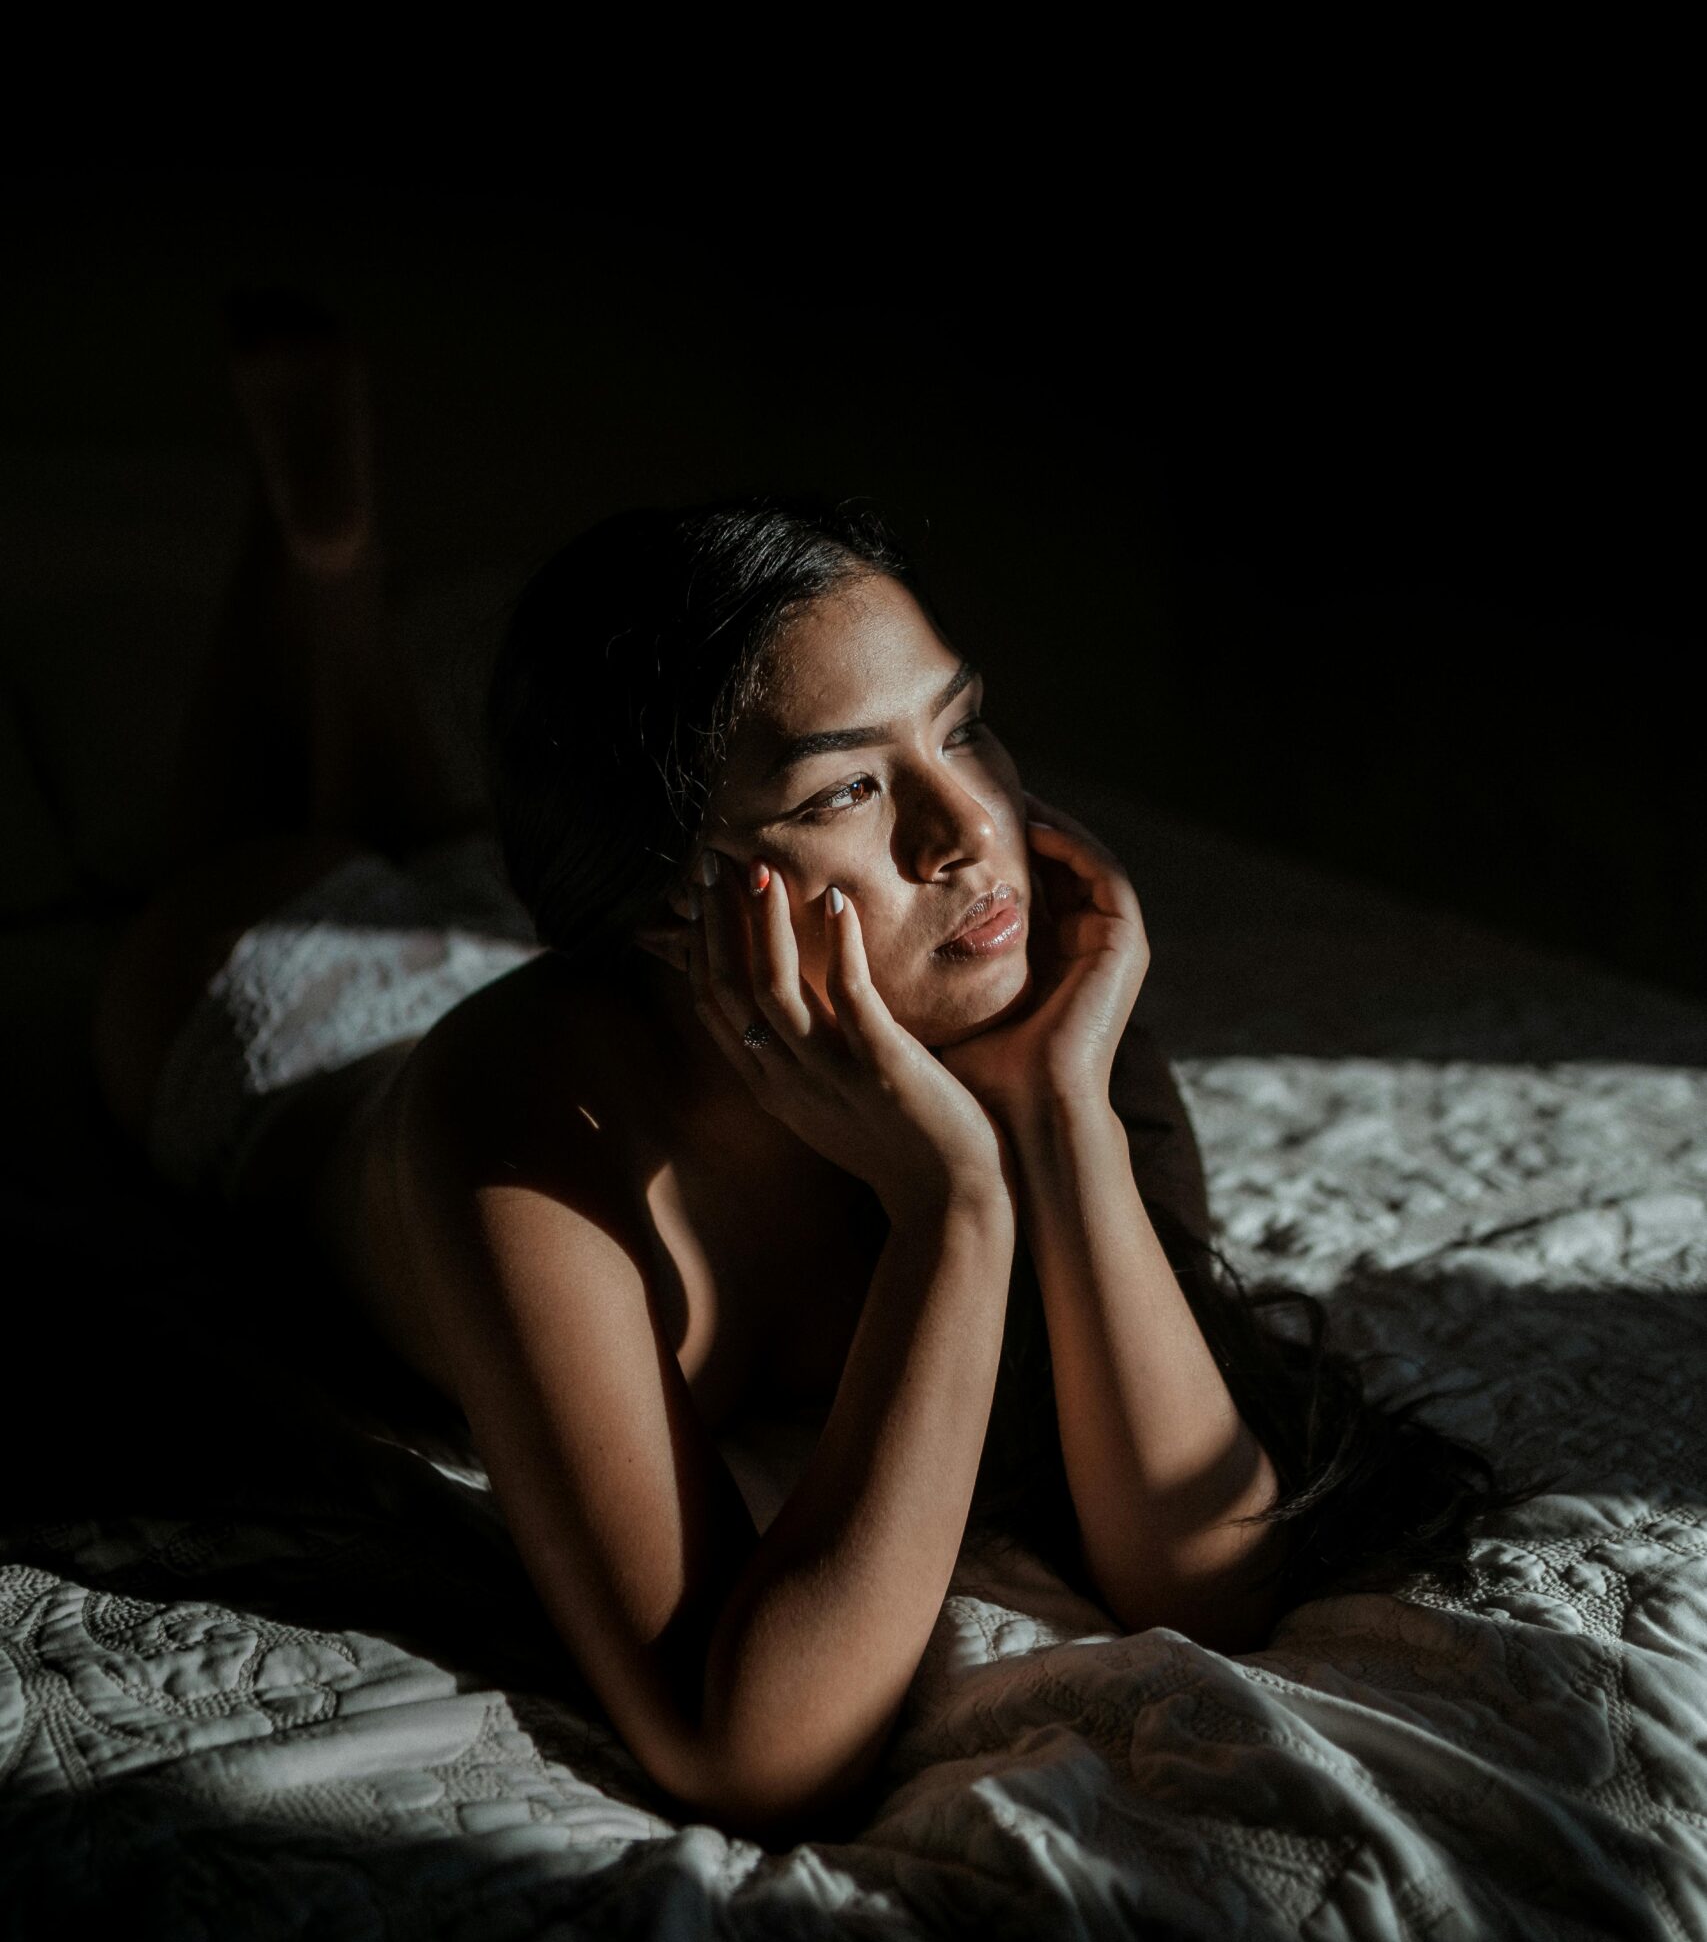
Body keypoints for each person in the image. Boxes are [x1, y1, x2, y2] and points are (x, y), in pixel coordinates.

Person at [90, 297, 1508, 1846]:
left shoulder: (1020, 997)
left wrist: (1057, 1123)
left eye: (962, 729)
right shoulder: (510, 1116)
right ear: (668, 911)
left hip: (583, 960)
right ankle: (316, 564)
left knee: (431, 848)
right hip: (299, 1036)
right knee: (245, 869)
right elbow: (746, 1750)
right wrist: (953, 1205)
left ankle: (343, 586)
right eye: (849, 787)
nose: (967, 829)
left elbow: (1202, 1568)